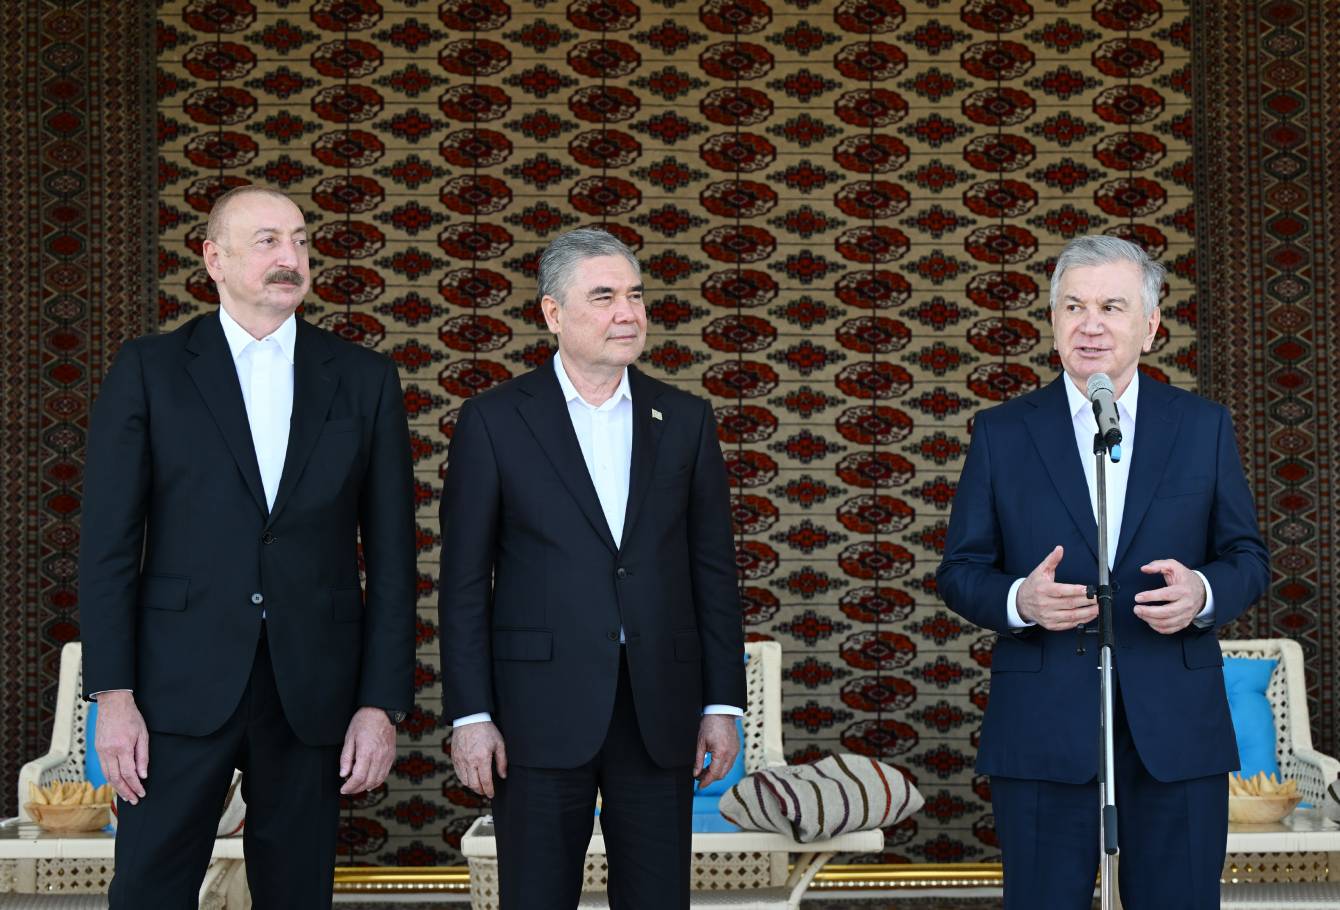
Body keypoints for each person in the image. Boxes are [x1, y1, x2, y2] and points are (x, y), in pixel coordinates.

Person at [78, 185, 416, 908]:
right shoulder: (149, 369)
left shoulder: (364, 379)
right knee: (147, 892)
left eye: (300, 240)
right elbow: (108, 546)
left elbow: (394, 559)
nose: (290, 257)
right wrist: (113, 696)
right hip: (174, 689)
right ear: (214, 259)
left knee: (297, 895)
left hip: (312, 690)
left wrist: (380, 704)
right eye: (267, 241)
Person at [937, 235, 1269, 909]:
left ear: (1150, 325)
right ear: (1053, 321)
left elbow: (1248, 558)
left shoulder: (1202, 426)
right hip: (1042, 727)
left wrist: (1202, 592)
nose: (1090, 325)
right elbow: (960, 570)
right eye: (1073, 307)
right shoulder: (1002, 432)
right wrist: (1020, 600)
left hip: (1176, 730)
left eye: (1112, 307)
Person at [439, 228, 746, 910]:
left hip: (659, 709)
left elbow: (714, 573)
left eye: (635, 295)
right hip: (536, 713)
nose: (627, 313)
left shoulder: (686, 419)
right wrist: (471, 714)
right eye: (604, 297)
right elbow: (462, 584)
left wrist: (722, 706)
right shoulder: (493, 421)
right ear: (553, 313)